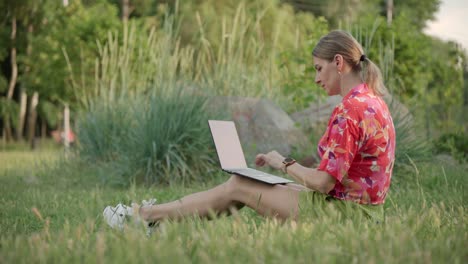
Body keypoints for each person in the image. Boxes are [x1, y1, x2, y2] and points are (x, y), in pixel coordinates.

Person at [103, 30, 396, 232]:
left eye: (319, 69)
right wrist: (277, 169)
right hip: (363, 212)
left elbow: (322, 184)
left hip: (346, 216)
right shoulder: (372, 102)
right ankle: (152, 219)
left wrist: (284, 164)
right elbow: (334, 179)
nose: (316, 79)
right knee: (247, 182)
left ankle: (142, 218)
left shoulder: (350, 110)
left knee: (239, 186)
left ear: (339, 63)